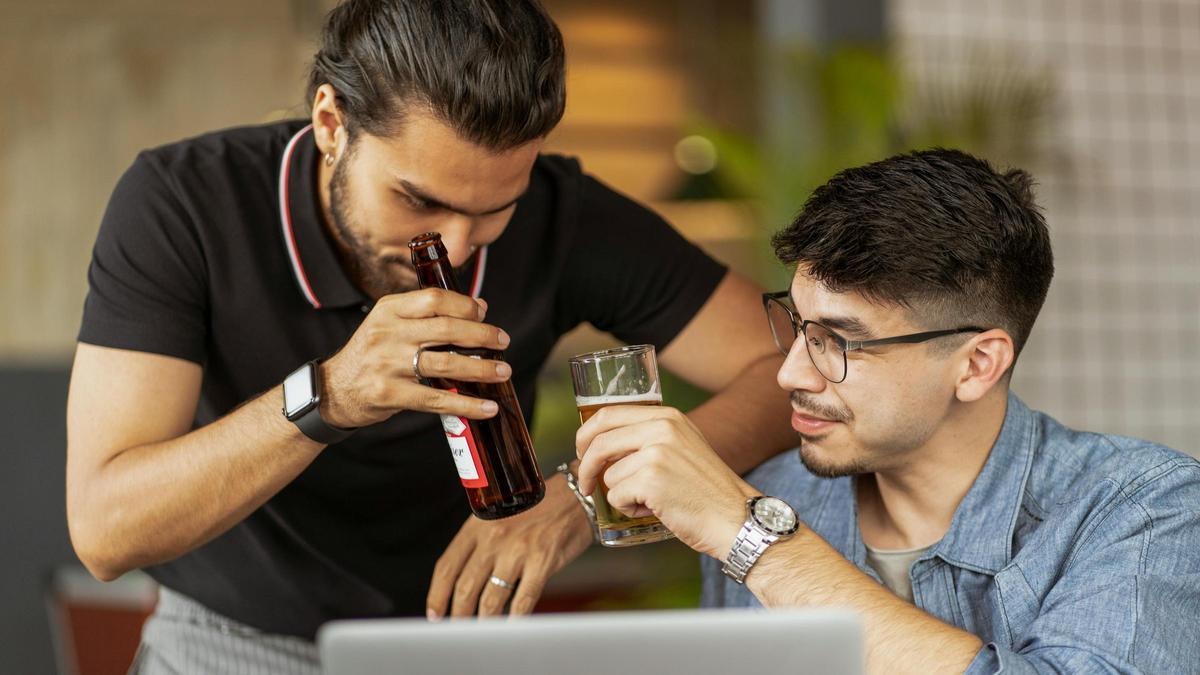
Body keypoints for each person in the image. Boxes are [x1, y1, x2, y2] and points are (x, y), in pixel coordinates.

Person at [65, 1, 794, 671]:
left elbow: (785, 368)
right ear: (330, 123)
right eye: (418, 199)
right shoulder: (183, 203)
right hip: (228, 641)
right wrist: (329, 394)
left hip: (456, 644)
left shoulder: (561, 215)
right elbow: (105, 531)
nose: (456, 244)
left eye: (495, 208)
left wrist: (579, 498)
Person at [576, 149, 1200, 674]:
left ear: (978, 364)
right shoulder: (773, 494)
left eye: (840, 342)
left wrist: (755, 542)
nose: (790, 372)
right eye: (796, 325)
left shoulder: (1143, 510)